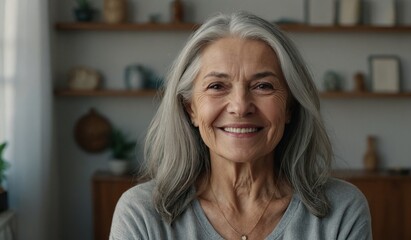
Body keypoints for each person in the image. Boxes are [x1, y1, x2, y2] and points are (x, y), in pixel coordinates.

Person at [110, 12, 372, 240]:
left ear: (290, 107)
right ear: (190, 108)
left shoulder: (342, 209)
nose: (240, 106)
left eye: (263, 86)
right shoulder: (141, 214)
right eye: (217, 86)